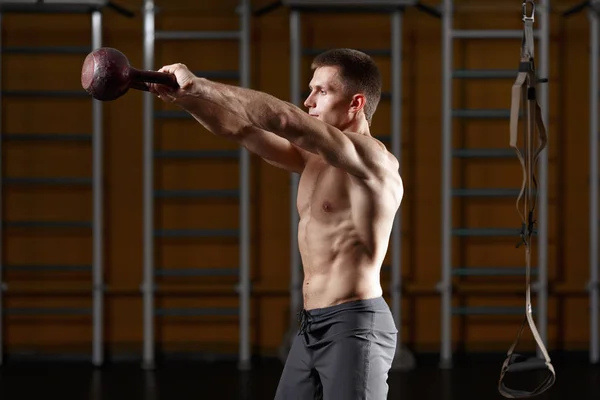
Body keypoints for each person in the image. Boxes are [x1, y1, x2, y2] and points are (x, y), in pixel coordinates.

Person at [150, 48, 403, 400]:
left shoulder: (374, 160)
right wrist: (186, 99)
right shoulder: (315, 160)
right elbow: (240, 129)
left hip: (353, 327)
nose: (308, 100)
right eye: (311, 89)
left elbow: (284, 120)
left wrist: (201, 86)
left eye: (322, 91)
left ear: (356, 102)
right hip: (311, 326)